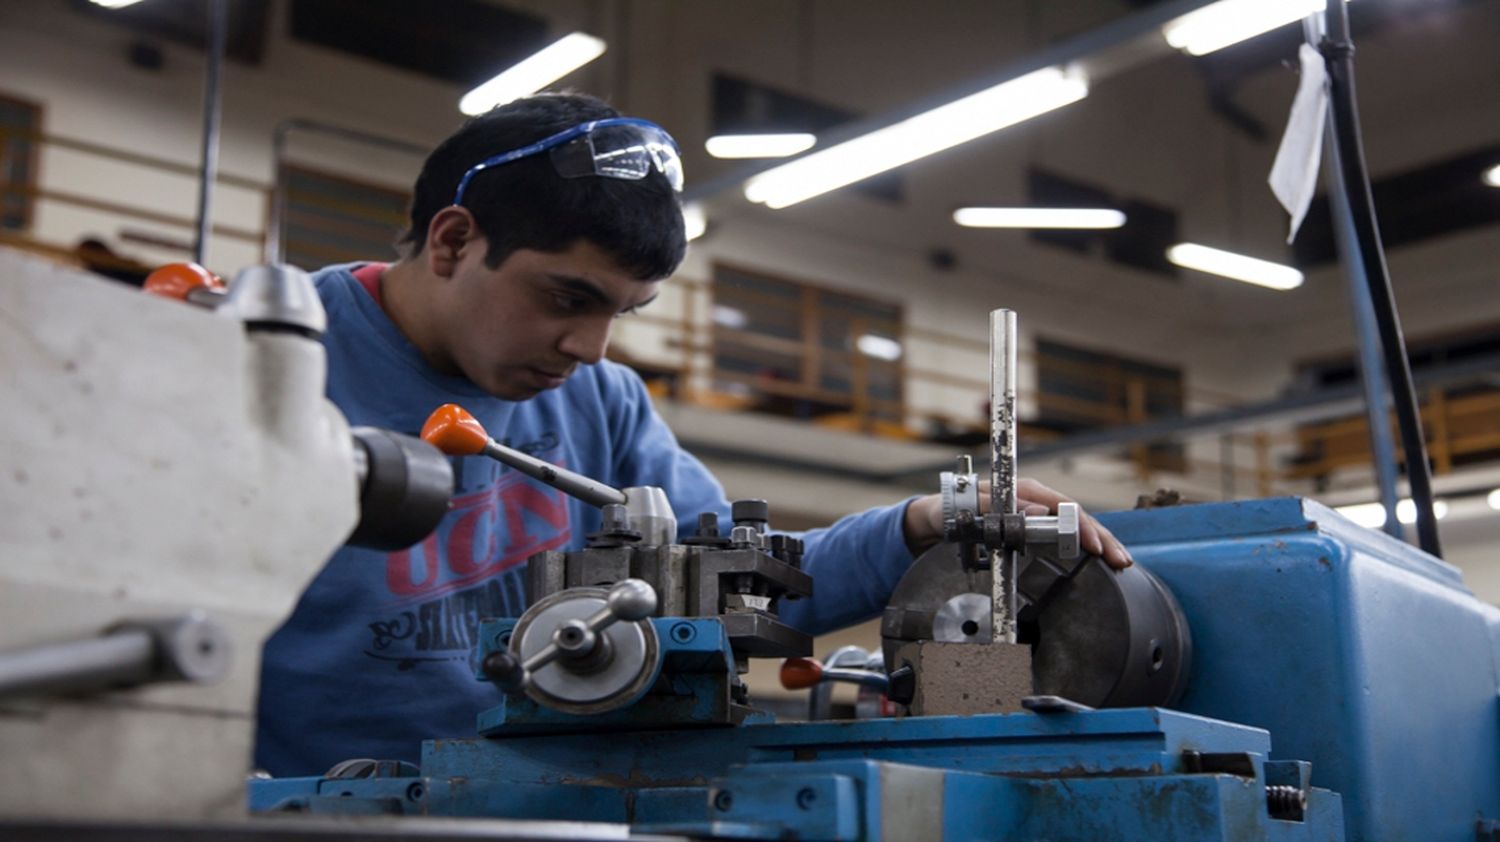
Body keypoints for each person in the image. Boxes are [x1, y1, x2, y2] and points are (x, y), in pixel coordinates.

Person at [254, 92, 1131, 777]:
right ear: (452, 242)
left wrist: (916, 528)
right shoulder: (256, 359)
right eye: (568, 298)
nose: (588, 349)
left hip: (538, 800)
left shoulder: (605, 401)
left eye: (622, 312)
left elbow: (739, 586)